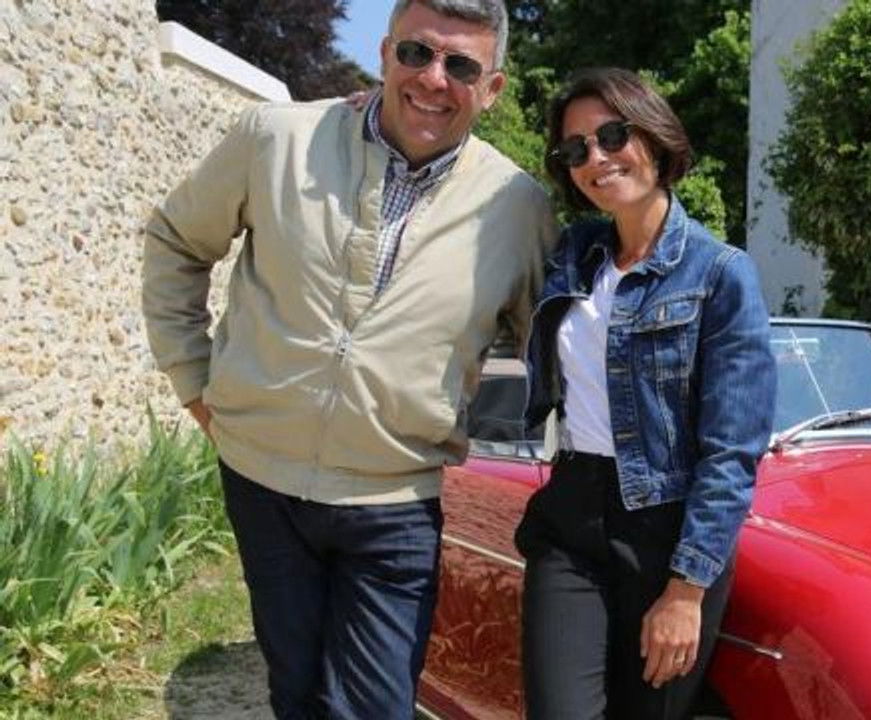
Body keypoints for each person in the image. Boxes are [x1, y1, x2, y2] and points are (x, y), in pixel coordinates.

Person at [141, 0, 556, 717]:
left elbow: (556, 349)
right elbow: (176, 242)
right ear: (385, 52)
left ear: (492, 89)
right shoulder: (275, 138)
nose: (433, 79)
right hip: (261, 481)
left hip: (395, 504)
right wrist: (194, 382)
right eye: (416, 53)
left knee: (374, 707)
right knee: (296, 692)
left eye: (461, 65)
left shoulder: (518, 208)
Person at [517, 68, 777, 720]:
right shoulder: (574, 254)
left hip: (667, 533)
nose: (596, 158)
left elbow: (732, 449)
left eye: (612, 136)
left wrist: (687, 589)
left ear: (655, 138)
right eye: (575, 148)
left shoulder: (721, 273)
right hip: (571, 517)